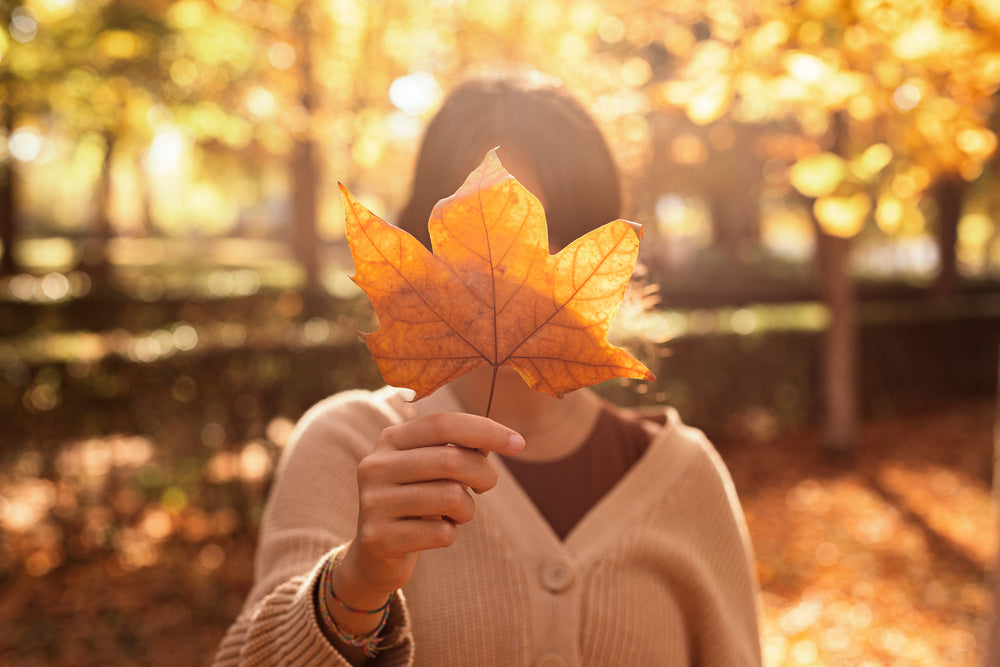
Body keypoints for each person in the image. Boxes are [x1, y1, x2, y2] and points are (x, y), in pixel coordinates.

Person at [214, 71, 762, 666]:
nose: (503, 279)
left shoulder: (686, 477)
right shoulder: (346, 447)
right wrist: (355, 588)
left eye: (543, 238)